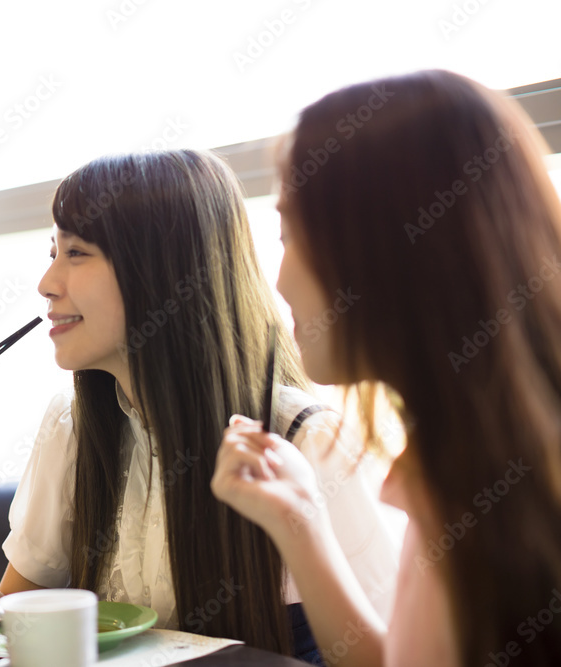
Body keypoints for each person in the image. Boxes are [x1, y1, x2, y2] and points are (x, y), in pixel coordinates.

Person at [0, 149, 399, 659]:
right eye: (53, 253)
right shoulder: (73, 426)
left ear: (164, 269)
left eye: (76, 253)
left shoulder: (301, 439)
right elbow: (8, 634)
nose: (46, 284)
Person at [212, 69, 561, 666]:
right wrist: (299, 520)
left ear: (387, 252)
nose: (279, 279)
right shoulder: (461, 466)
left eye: (293, 236)